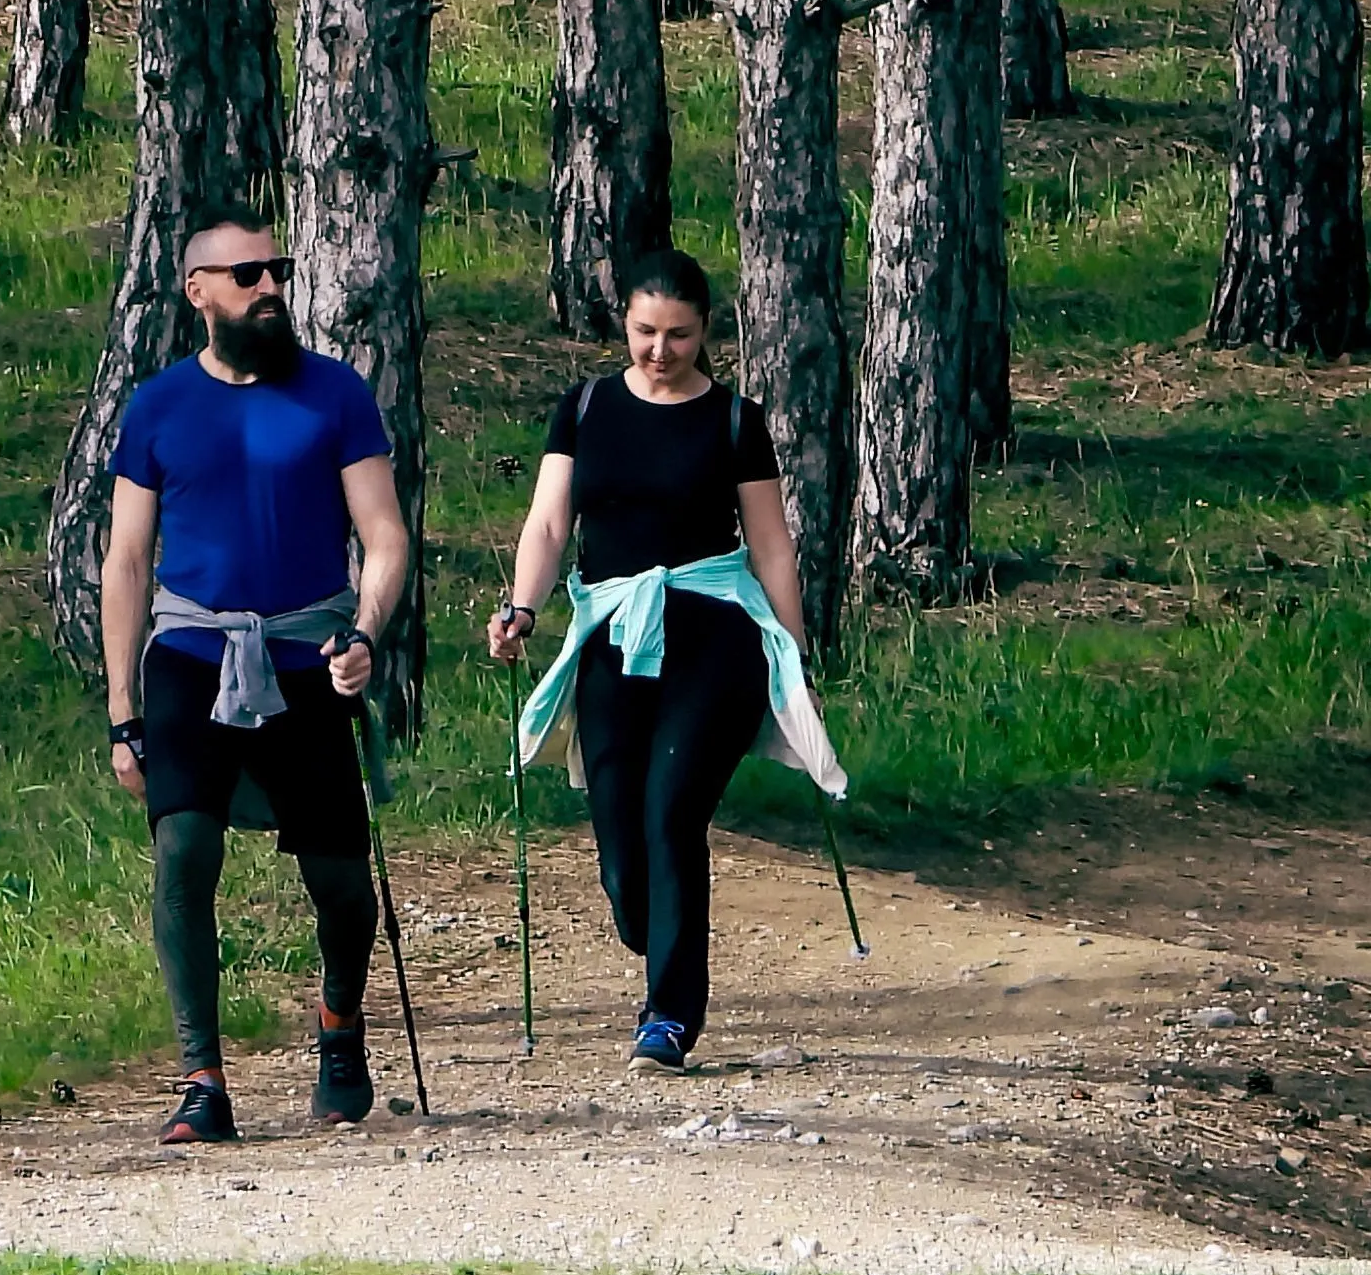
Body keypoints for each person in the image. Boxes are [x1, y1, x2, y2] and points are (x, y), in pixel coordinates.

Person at [99, 214, 416, 1146]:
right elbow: (126, 560)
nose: (269, 286)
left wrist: (364, 631)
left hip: (308, 658)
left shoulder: (336, 395)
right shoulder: (156, 407)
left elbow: (386, 537)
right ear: (198, 292)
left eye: (277, 269)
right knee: (184, 852)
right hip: (192, 656)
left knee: (341, 885)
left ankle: (339, 1024)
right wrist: (123, 711)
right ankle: (202, 1077)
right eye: (247, 274)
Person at [490, 249, 838, 1070]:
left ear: (704, 332)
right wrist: (522, 608)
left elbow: (774, 548)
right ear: (626, 326)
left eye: (678, 335)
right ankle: (651, 931)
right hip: (614, 630)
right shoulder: (585, 409)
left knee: (672, 809)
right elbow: (548, 526)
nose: (660, 350)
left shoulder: (734, 421)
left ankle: (670, 1014)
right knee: (619, 830)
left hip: (715, 636)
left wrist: (792, 655)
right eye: (646, 331)